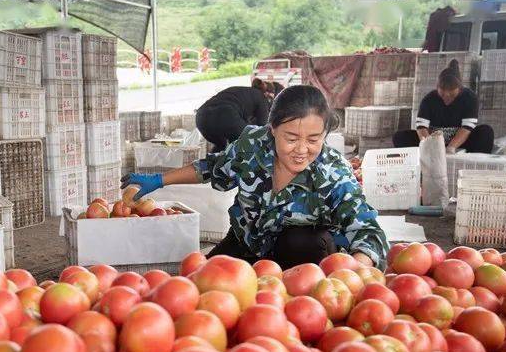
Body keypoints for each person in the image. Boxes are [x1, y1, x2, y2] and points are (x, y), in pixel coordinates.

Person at [121, 85, 389, 271]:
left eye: (314, 139)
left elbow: (367, 229)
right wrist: (159, 180)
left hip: (301, 254)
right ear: (272, 129)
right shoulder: (252, 144)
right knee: (202, 281)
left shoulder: (333, 172)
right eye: (291, 138)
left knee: (299, 242)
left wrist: (356, 268)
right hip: (248, 241)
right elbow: (213, 167)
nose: (302, 149)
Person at [393, 60, 494, 154]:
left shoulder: (470, 98)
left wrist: (451, 147)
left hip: (461, 141)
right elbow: (421, 127)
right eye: (442, 94)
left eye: (451, 94)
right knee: (400, 137)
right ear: (437, 88)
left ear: (460, 89)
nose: (446, 97)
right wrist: (430, 146)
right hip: (434, 140)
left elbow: (467, 128)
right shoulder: (429, 99)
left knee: (485, 132)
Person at [195, 78, 272, 153]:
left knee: (221, 146)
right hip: (226, 115)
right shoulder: (261, 96)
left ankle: (211, 163)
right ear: (267, 93)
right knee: (246, 143)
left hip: (201, 118)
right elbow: (262, 126)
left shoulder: (241, 91)